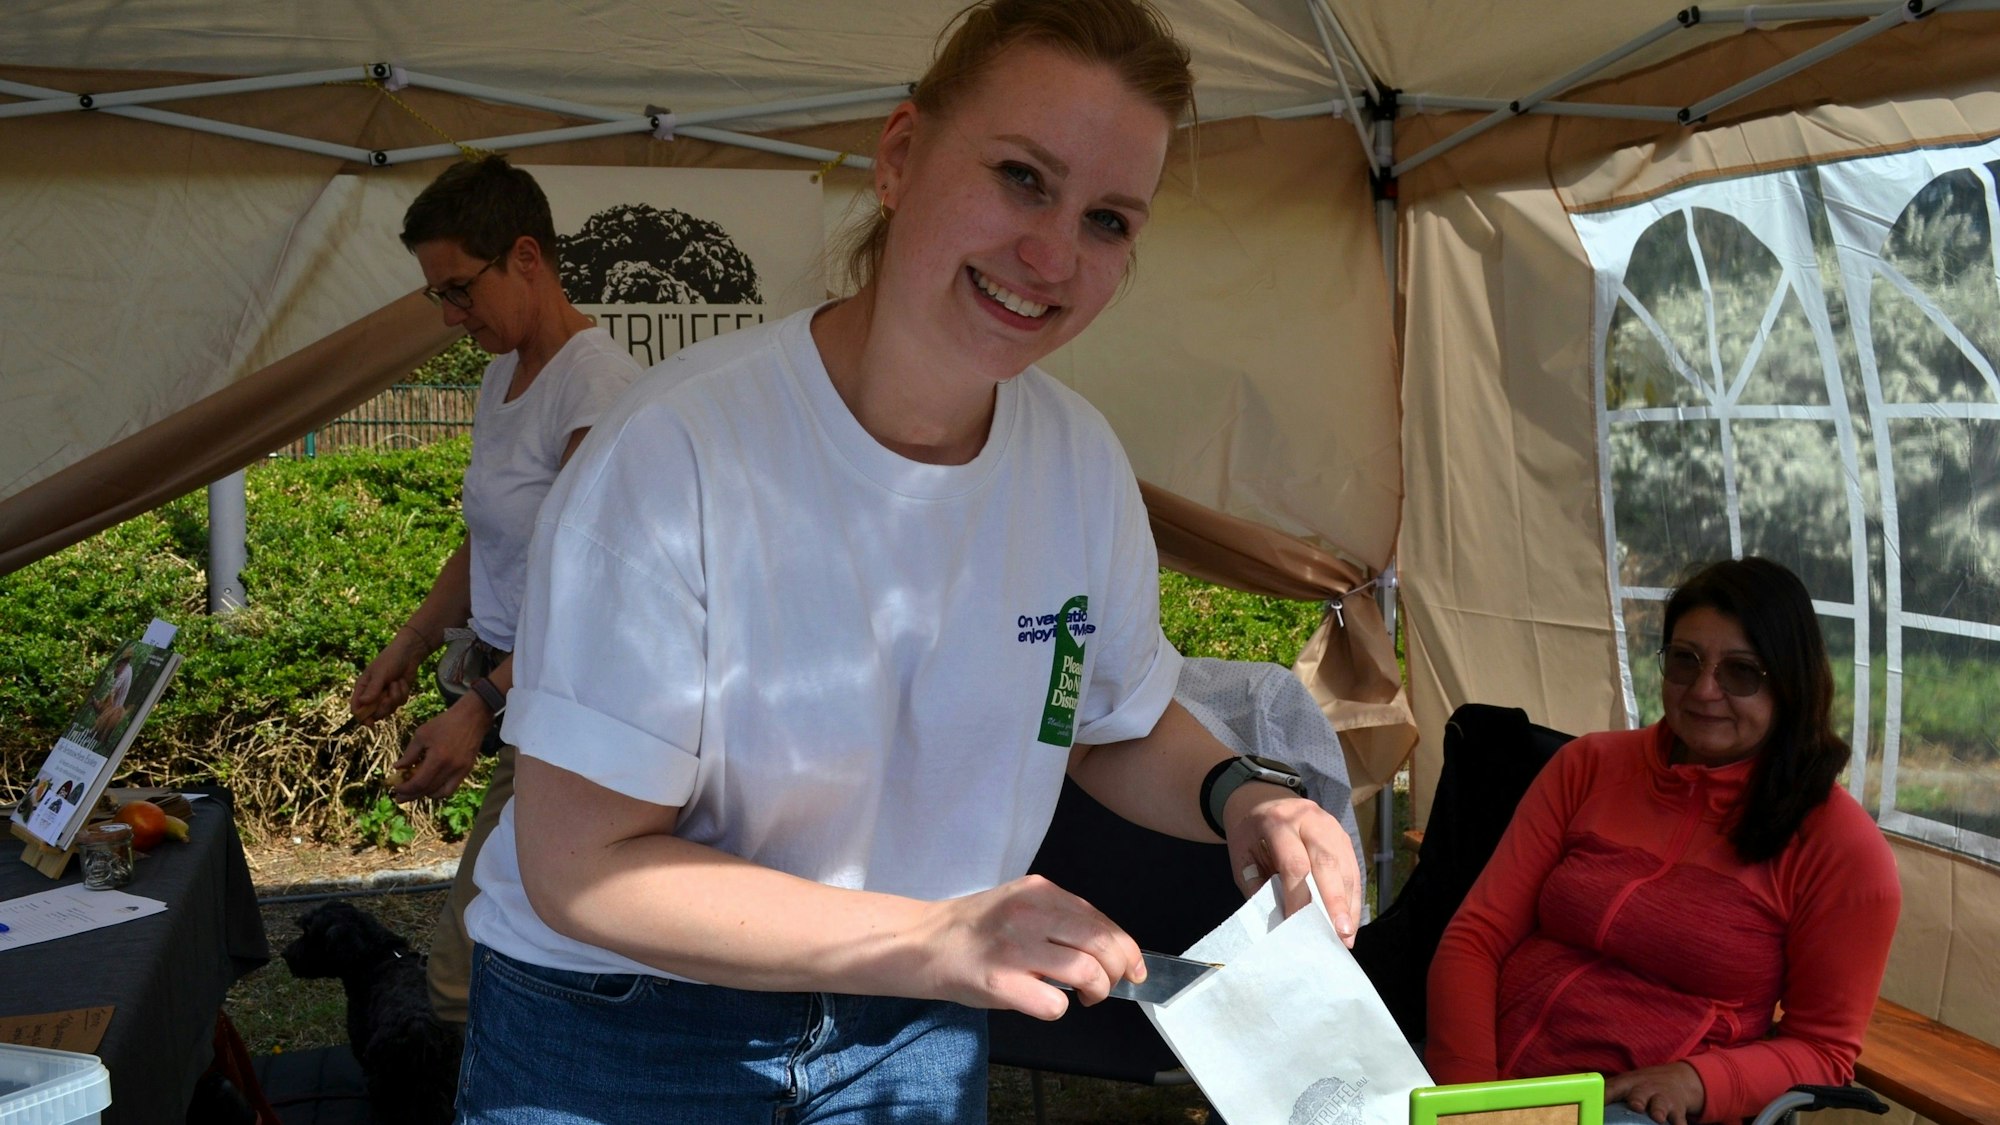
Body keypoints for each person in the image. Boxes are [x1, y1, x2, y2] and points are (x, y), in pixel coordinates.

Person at [454, 1, 1363, 1120]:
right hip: (624, 1028)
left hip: (913, 1020)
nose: (1051, 255)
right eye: (1021, 178)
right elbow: (580, 866)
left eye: (1107, 220)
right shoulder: (678, 452)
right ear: (898, 157)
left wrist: (1241, 794)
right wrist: (934, 936)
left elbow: (1103, 719)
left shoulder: (1078, 465)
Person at [1426, 557, 1901, 1125]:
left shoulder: (1840, 848)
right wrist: (1469, 1099)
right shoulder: (1588, 766)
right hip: (1489, 1077)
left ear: (1791, 683)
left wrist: (1696, 1080)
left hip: (1635, 1106)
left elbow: (1824, 1051)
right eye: (1685, 660)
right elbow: (1476, 937)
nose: (1704, 690)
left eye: (1741, 672)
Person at [346, 155, 642, 1024]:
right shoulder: (499, 374)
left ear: (526, 257)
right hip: (527, 705)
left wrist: (480, 705)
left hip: (574, 717)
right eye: (437, 294)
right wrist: (410, 641)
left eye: (460, 289)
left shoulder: (598, 389)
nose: (451, 315)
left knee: (460, 977)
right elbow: (488, 540)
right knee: (501, 963)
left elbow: (592, 595)